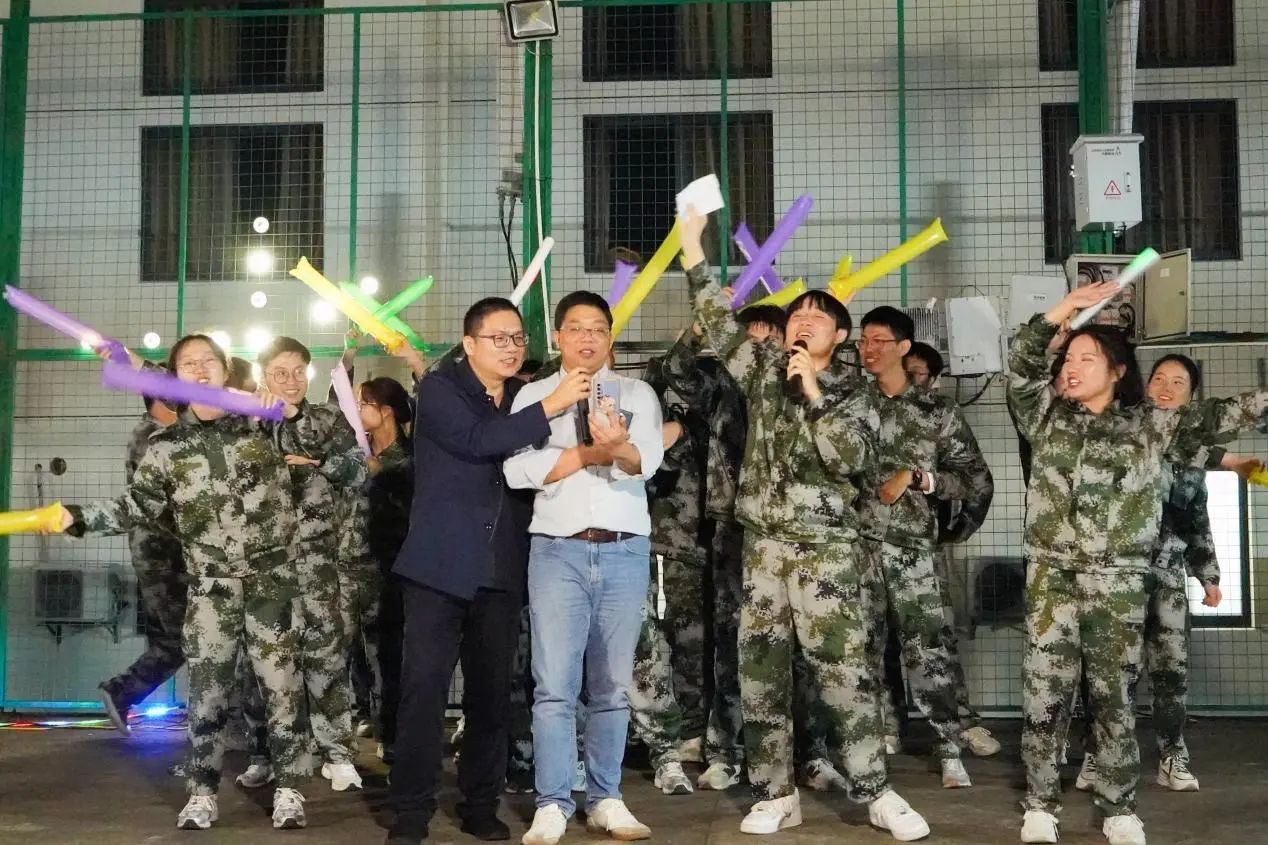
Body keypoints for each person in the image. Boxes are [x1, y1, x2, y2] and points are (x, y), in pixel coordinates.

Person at [680, 207, 929, 841]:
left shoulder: (859, 393)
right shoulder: (763, 371)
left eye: (817, 316)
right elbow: (716, 320)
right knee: (761, 674)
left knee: (843, 675)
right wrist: (691, 247)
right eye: (797, 315)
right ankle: (774, 793)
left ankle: (875, 791)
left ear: (840, 336)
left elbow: (853, 460)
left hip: (828, 554)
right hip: (764, 551)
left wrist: (815, 393)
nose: (802, 321)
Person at [1009, 285, 1268, 845]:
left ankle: (1119, 808)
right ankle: (1040, 804)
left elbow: (1225, 414)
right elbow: (1023, 360)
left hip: (1120, 583)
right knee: (1045, 697)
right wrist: (1065, 308)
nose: (1072, 366)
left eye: (1087, 358)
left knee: (1114, 699)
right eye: (1068, 357)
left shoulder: (1151, 425)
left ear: (1118, 372)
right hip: (1052, 578)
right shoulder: (1044, 416)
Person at [57, 334, 316, 830]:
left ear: (225, 368)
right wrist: (77, 517)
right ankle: (202, 793)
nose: (199, 369)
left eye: (207, 361)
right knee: (207, 693)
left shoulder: (265, 423)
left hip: (271, 584)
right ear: (176, 378)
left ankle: (289, 790)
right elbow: (135, 508)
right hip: (212, 589)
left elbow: (319, 443)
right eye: (188, 364)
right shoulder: (166, 447)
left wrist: (288, 410)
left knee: (282, 688)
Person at [385, 297, 591, 845]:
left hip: (501, 567)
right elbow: (480, 441)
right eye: (498, 338)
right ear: (469, 343)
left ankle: (480, 803)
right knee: (423, 692)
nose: (511, 347)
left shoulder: (523, 395)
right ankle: (410, 811)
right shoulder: (440, 390)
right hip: (439, 568)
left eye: (518, 338)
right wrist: (552, 405)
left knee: (491, 697)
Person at [505, 291, 664, 845]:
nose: (587, 338)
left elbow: (647, 461)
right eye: (575, 328)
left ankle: (605, 797)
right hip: (557, 549)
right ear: (558, 338)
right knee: (553, 686)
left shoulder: (639, 394)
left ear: (610, 338)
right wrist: (581, 454)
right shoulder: (534, 395)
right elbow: (516, 469)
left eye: (597, 328)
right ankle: (552, 801)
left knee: (613, 686)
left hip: (624, 548)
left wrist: (617, 446)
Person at [855, 306, 995, 787]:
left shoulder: (938, 413)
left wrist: (924, 482)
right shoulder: (851, 406)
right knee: (863, 650)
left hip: (913, 552)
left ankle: (948, 745)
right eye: (862, 341)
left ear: (903, 347)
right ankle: (877, 739)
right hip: (856, 550)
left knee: (929, 653)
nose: (868, 350)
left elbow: (975, 480)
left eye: (878, 341)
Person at [256, 337, 369, 793]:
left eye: (298, 371)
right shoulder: (247, 422)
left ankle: (337, 752)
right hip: (263, 565)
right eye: (280, 373)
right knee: (267, 663)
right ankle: (269, 752)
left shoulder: (325, 420)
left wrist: (318, 461)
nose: (291, 381)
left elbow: (359, 470)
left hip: (319, 561)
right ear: (263, 375)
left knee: (326, 656)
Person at [97, 389, 186, 735]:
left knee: (174, 638)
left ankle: (123, 692)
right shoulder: (153, 437)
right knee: (180, 638)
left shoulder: (151, 433)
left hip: (159, 552)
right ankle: (122, 691)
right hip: (162, 553)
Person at [355, 376, 415, 764]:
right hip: (352, 568)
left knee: (392, 656)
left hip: (393, 570)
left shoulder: (409, 458)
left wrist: (380, 476)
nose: (358, 411)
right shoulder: (354, 451)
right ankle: (369, 717)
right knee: (359, 656)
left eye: (365, 404)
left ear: (386, 411)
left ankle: (393, 733)